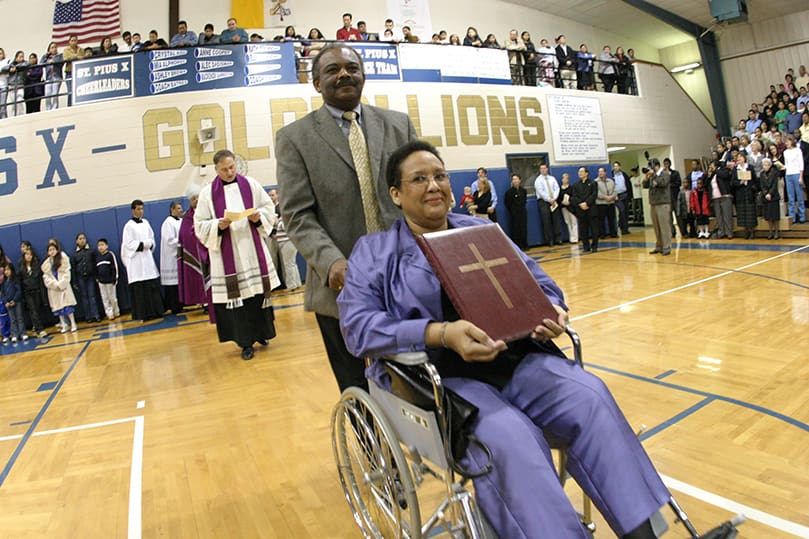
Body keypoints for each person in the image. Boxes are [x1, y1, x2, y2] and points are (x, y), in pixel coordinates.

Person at [338, 140, 672, 539]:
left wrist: (551, 312)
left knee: (590, 397)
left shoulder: (483, 231)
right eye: (419, 179)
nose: (433, 185)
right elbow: (357, 328)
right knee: (510, 437)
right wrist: (439, 333)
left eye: (440, 176)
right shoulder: (373, 253)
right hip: (438, 380)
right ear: (395, 194)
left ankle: (642, 534)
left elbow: (543, 286)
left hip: (512, 360)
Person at [275, 43, 417, 391]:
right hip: (339, 283)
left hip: (405, 275)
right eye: (332, 70)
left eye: (352, 68)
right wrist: (332, 262)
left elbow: (418, 190)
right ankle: (371, 443)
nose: (344, 74)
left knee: (417, 377)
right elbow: (296, 214)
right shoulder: (294, 138)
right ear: (316, 83)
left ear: (363, 75)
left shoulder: (398, 124)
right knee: (355, 385)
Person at [195, 150, 280, 360]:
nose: (229, 172)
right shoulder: (207, 194)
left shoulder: (250, 184)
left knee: (257, 296)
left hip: (251, 248)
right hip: (227, 254)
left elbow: (268, 208)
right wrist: (218, 224)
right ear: (216, 170)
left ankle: (262, 333)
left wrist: (258, 217)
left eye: (232, 167)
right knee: (239, 300)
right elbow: (199, 225)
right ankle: (245, 342)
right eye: (224, 169)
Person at [121, 199, 165, 322]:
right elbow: (128, 244)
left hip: (147, 259)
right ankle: (143, 315)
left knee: (151, 286)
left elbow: (151, 238)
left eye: (142, 208)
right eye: (138, 209)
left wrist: (149, 244)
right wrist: (142, 244)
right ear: (133, 210)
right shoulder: (128, 226)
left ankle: (157, 311)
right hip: (137, 261)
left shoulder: (146, 223)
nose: (141, 211)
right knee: (140, 289)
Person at [177, 184, 210, 310]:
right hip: (195, 253)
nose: (196, 200)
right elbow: (184, 234)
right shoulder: (187, 217)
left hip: (208, 249)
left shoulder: (208, 211)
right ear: (190, 201)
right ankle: (204, 301)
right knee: (198, 277)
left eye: (198, 197)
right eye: (193, 198)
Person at [41, 239, 78, 333]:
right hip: (54, 289)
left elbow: (67, 273)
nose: (51, 251)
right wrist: (54, 284)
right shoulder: (46, 264)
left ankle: (73, 323)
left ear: (57, 250)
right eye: (50, 250)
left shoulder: (63, 259)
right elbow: (46, 277)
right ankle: (63, 324)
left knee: (68, 307)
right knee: (58, 308)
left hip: (63, 287)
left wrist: (61, 283)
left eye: (53, 249)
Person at [274, 192, 303, 290]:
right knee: (292, 264)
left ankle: (291, 286)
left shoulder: (286, 216)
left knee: (288, 264)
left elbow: (286, 227)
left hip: (287, 242)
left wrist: (277, 222)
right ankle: (297, 283)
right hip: (290, 242)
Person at [643, 159, 672, 255]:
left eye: (652, 167)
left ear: (657, 166)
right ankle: (659, 246)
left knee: (664, 227)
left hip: (663, 203)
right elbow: (645, 185)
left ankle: (667, 247)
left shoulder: (665, 173)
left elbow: (663, 183)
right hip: (653, 203)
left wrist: (654, 175)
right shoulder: (652, 176)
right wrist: (646, 177)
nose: (651, 170)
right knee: (656, 227)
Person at [18, 249, 48, 338]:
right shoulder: (21, 268)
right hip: (27, 292)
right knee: (33, 310)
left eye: (30, 254)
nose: (29, 256)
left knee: (37, 310)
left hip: (37, 291)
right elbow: (21, 282)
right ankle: (40, 329)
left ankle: (36, 326)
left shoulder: (36, 266)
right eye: (27, 254)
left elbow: (39, 281)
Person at [160, 201, 184, 314]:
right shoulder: (167, 223)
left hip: (181, 255)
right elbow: (169, 240)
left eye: (181, 208)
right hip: (171, 257)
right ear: (172, 210)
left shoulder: (182, 221)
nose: (181, 210)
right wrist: (183, 242)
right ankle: (173, 305)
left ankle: (182, 303)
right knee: (172, 285)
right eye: (178, 208)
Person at [71, 232, 101, 322]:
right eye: (80, 239)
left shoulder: (91, 251)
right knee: (84, 297)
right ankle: (88, 317)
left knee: (92, 296)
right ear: (77, 241)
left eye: (83, 238)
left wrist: (97, 276)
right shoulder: (74, 254)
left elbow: (95, 265)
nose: (82, 240)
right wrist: (74, 281)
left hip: (91, 277)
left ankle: (96, 315)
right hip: (80, 278)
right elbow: (73, 269)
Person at [571, 167, 600, 253]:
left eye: (581, 171)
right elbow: (574, 197)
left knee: (594, 229)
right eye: (579, 172)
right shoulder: (576, 185)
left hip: (591, 209)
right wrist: (580, 204)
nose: (580, 173)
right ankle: (586, 247)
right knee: (583, 230)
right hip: (581, 211)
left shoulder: (593, 183)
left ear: (586, 173)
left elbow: (594, 195)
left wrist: (587, 203)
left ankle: (594, 246)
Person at [732, 153, 759, 240]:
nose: (739, 159)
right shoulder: (735, 169)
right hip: (740, 193)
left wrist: (750, 183)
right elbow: (733, 182)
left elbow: (754, 179)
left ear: (744, 158)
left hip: (749, 192)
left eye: (740, 157)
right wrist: (740, 183)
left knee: (750, 213)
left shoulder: (750, 167)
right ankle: (746, 231)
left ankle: (752, 231)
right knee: (743, 213)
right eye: (738, 158)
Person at [534, 163, 560, 246]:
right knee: (546, 221)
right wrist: (549, 199)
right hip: (544, 202)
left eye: (544, 168)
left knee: (556, 220)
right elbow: (541, 192)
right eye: (541, 168)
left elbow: (557, 188)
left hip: (554, 201)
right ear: (539, 170)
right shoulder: (538, 180)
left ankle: (558, 239)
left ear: (547, 169)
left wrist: (554, 198)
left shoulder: (552, 178)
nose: (543, 170)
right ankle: (550, 240)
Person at [95, 238, 120, 320]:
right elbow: (96, 269)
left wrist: (114, 278)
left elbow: (114, 267)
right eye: (99, 245)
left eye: (102, 245)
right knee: (105, 299)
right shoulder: (98, 257)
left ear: (106, 246)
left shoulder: (110, 255)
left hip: (110, 281)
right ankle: (109, 313)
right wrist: (98, 279)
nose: (100, 247)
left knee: (112, 298)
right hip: (101, 282)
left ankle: (116, 311)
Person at [710, 160, 735, 239]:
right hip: (715, 197)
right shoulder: (713, 173)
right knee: (719, 216)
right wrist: (709, 174)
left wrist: (715, 171)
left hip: (725, 195)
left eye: (712, 165)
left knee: (727, 215)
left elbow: (725, 175)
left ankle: (729, 232)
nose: (710, 166)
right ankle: (721, 232)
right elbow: (707, 182)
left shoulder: (724, 170)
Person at [783, 135, 805, 223]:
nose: (786, 143)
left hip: (796, 173)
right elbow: (786, 164)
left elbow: (801, 164)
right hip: (788, 174)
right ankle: (792, 217)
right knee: (790, 197)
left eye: (787, 141)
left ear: (792, 141)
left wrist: (801, 176)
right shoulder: (785, 152)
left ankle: (802, 216)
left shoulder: (798, 150)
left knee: (799, 196)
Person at [2, 264, 25, 343]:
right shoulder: (4, 282)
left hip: (16, 302)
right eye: (5, 270)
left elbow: (19, 291)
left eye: (8, 270)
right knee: (12, 319)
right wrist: (6, 302)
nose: (7, 272)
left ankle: (22, 333)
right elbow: (3, 294)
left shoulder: (15, 280)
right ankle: (14, 334)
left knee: (19, 318)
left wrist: (14, 300)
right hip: (8, 303)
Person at [758, 158, 781, 239]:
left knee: (774, 216)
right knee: (768, 216)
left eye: (766, 165)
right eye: (763, 165)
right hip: (766, 197)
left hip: (774, 197)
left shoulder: (774, 173)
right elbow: (762, 185)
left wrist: (770, 193)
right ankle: (770, 231)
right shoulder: (761, 174)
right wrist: (765, 193)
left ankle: (777, 231)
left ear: (770, 165)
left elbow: (775, 185)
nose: (764, 166)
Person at [504, 173, 528, 249]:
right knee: (515, 230)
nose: (515, 181)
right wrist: (513, 211)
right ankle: (518, 245)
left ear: (519, 180)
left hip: (522, 212)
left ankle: (525, 244)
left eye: (516, 179)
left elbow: (524, 201)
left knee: (523, 228)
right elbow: (507, 203)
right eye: (513, 179)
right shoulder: (509, 192)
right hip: (514, 214)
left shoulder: (523, 191)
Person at [595, 166, 618, 238]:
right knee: (601, 220)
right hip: (601, 203)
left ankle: (613, 233)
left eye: (602, 171)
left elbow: (615, 190)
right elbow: (596, 193)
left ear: (605, 172)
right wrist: (605, 197)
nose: (600, 173)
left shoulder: (611, 181)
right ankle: (602, 234)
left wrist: (612, 197)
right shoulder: (595, 182)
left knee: (612, 219)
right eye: (599, 172)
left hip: (611, 203)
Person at [41, 42, 63, 111]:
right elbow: (41, 63)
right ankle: (48, 108)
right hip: (49, 77)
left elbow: (61, 63)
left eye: (55, 47)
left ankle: (55, 108)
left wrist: (53, 61)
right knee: (47, 94)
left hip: (56, 77)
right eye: (52, 47)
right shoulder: (46, 57)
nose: (54, 49)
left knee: (54, 93)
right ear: (49, 49)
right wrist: (46, 56)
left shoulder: (59, 56)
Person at [612, 161, 632, 234]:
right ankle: (622, 226)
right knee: (622, 210)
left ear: (620, 167)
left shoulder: (624, 175)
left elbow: (629, 185)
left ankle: (625, 228)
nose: (615, 167)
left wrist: (630, 196)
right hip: (617, 196)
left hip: (625, 194)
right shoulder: (611, 175)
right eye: (614, 166)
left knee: (625, 212)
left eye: (617, 166)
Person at [557, 172, 578, 243]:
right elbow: (558, 198)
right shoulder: (559, 189)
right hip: (564, 207)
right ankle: (571, 237)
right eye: (563, 178)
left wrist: (570, 201)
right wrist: (562, 202)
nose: (564, 179)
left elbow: (574, 197)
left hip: (571, 207)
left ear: (568, 179)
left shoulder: (571, 188)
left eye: (566, 178)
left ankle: (575, 238)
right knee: (567, 222)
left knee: (574, 222)